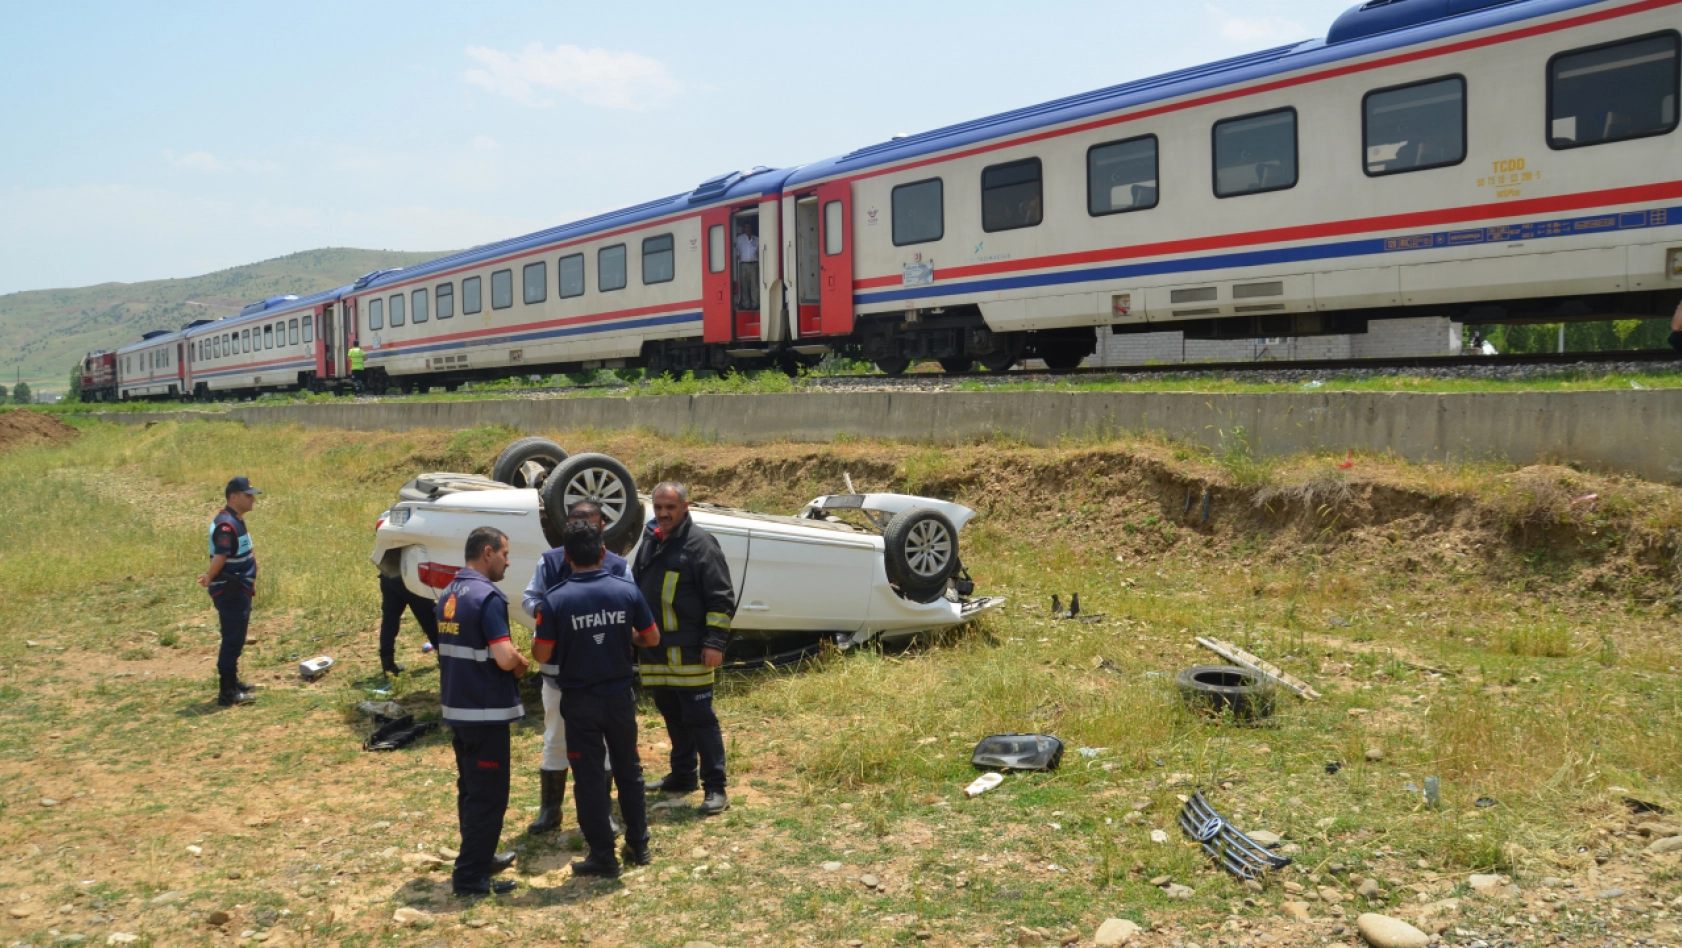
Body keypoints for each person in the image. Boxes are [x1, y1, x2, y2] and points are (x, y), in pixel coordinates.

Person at [533, 520, 659, 878]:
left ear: (567, 556)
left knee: (588, 779)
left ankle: (603, 856)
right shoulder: (625, 590)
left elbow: (542, 654)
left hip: (580, 701)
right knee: (629, 772)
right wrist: (622, 635)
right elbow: (651, 639)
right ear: (603, 553)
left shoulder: (555, 600)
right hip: (620, 697)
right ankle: (640, 844)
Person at [521, 500, 629, 834]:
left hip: (604, 675)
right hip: (558, 675)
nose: (580, 527)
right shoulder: (550, 561)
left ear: (602, 528)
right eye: (573, 522)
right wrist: (552, 614)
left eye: (588, 522)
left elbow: (632, 609)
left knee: (607, 745)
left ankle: (604, 813)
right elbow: (529, 599)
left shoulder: (618, 565)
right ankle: (550, 811)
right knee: (555, 737)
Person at [632, 481, 736, 816]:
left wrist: (715, 643)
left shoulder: (702, 545)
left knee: (700, 719)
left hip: (691, 653)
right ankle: (682, 775)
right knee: (672, 716)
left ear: (686, 506)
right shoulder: (650, 539)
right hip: (655, 652)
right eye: (658, 507)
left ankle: (715, 787)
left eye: (670, 508)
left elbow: (721, 600)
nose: (663, 513)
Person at [437, 527, 528, 897]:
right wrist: (522, 662)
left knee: (471, 790)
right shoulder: (487, 596)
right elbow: (505, 658)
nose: (508, 561)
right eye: (505, 554)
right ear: (487, 552)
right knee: (488, 795)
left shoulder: (448, 593)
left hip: (458, 708)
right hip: (485, 711)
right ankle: (471, 875)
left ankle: (480, 856)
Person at [197, 476, 260, 707]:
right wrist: (209, 576)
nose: (253, 499)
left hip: (238, 588)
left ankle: (233, 682)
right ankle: (227, 692)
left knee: (236, 636)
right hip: (230, 590)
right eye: (248, 495)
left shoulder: (235, 519)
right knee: (232, 639)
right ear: (234, 497)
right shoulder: (226, 525)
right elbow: (220, 556)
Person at [379, 572, 440, 676]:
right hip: (411, 576)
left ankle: (388, 665)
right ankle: (445, 658)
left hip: (389, 575)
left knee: (389, 622)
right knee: (429, 619)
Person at [734, 224, 759, 311]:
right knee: (744, 285)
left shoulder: (756, 239)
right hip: (743, 264)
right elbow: (734, 248)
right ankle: (746, 305)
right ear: (744, 228)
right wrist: (736, 255)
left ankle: (755, 304)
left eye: (750, 227)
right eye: (747, 227)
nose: (748, 229)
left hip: (754, 264)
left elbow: (760, 251)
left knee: (754, 285)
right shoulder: (739, 239)